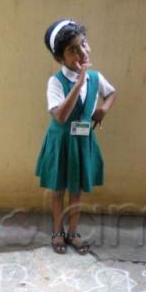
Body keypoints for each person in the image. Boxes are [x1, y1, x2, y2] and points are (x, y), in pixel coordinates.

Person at [35, 19, 116, 255]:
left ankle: (73, 232)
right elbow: (59, 115)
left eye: (83, 44)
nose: (82, 52)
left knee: (77, 190)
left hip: (81, 143)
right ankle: (58, 231)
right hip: (61, 143)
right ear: (59, 59)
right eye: (73, 50)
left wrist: (103, 110)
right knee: (59, 190)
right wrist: (79, 81)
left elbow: (111, 93)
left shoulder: (96, 78)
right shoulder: (56, 82)